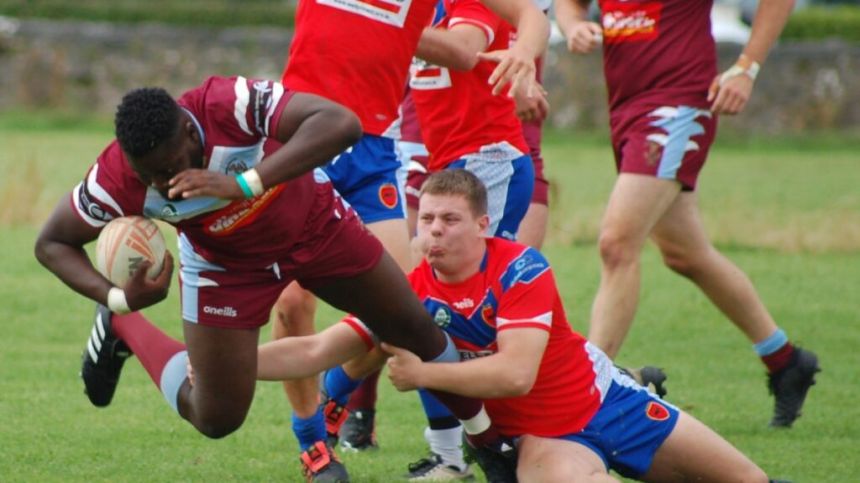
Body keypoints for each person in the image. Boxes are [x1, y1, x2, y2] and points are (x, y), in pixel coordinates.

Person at [32, 77, 511, 481]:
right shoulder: (117, 176)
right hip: (225, 267)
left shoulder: (226, 103)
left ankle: (489, 447)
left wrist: (244, 183)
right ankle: (123, 330)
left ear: (188, 129)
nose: (162, 184)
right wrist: (118, 298)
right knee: (216, 418)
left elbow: (340, 123)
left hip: (317, 228)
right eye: (148, 175)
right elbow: (52, 243)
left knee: (416, 328)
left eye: (171, 167)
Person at [243, 169, 780, 483]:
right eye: (426, 219)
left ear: (481, 225)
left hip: (613, 401)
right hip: (545, 441)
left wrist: (426, 374)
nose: (434, 232)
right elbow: (316, 349)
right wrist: (226, 363)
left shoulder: (520, 267)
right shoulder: (410, 295)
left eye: (450, 220)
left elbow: (516, 374)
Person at [270, 0, 551, 479]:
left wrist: (380, 25)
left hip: (483, 164)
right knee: (402, 307)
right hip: (381, 149)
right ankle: (329, 421)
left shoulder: (451, 8)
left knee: (433, 308)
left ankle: (463, 450)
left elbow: (475, 46)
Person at [553, 0, 820, 428]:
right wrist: (572, 26)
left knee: (616, 243)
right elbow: (570, 4)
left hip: (676, 106)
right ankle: (786, 361)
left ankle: (589, 389)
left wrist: (747, 67)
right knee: (685, 254)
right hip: (627, 110)